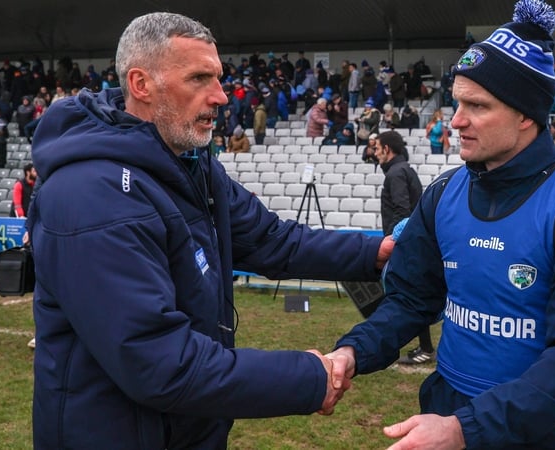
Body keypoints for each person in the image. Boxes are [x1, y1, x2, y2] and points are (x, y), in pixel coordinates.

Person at [27, 13, 394, 449]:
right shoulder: (92, 195)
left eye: (218, 78)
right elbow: (162, 363)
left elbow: (273, 240)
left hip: (189, 429)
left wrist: (376, 253)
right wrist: (309, 377)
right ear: (141, 84)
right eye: (199, 78)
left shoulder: (191, 164)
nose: (220, 96)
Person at [326, 1, 555, 447]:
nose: (457, 120)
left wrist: (465, 429)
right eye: (457, 102)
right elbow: (410, 300)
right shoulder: (444, 193)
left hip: (545, 430)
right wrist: (353, 351)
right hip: (451, 406)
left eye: (477, 106)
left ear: (526, 115)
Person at [374, 131, 433, 364]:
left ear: (387, 149)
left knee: (408, 297)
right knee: (411, 296)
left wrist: (394, 242)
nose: (375, 153)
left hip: (403, 245)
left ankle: (424, 348)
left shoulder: (396, 173)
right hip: (411, 243)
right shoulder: (403, 169)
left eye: (377, 148)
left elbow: (402, 210)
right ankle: (424, 347)